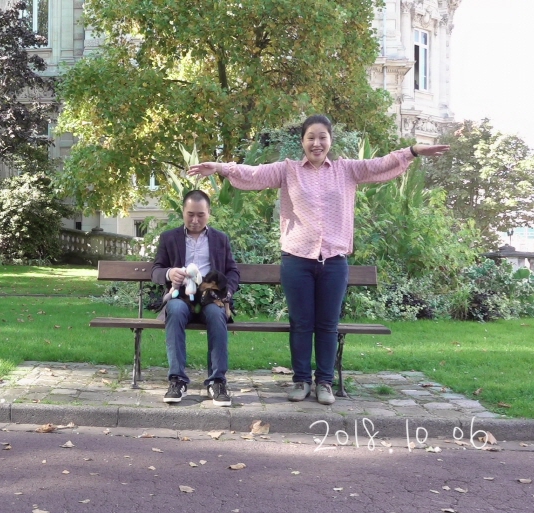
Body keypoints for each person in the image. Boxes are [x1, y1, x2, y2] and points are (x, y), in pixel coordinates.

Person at [188, 114, 449, 405]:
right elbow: (254, 173)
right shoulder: (288, 170)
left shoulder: (346, 170)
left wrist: (412, 151)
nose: (316, 143)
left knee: (327, 324)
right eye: (310, 137)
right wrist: (219, 167)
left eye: (322, 137)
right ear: (302, 141)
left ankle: (324, 382)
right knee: (301, 323)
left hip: (334, 261)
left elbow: (380, 165)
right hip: (297, 261)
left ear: (330, 141)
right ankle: (301, 380)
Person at [150, 190, 240, 407]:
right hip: (181, 296)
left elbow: (233, 271)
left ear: (209, 213)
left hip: (210, 297)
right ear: (183, 212)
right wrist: (169, 273)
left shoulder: (220, 239)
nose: (195, 220)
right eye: (190, 214)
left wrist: (226, 294)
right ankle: (177, 380)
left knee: (217, 314)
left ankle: (217, 382)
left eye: (201, 215)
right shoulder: (169, 238)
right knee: (175, 310)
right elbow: (155, 271)